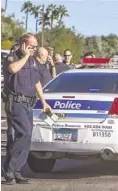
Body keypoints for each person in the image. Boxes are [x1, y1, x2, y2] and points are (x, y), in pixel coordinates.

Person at [2, 33, 51, 185]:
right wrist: (25, 56)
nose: (34, 49)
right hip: (16, 102)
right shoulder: (13, 57)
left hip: (29, 103)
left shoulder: (32, 61)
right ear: (23, 44)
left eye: (35, 46)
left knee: (27, 138)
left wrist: (43, 101)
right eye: (31, 46)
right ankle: (9, 168)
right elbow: (13, 69)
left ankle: (16, 171)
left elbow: (36, 82)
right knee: (24, 133)